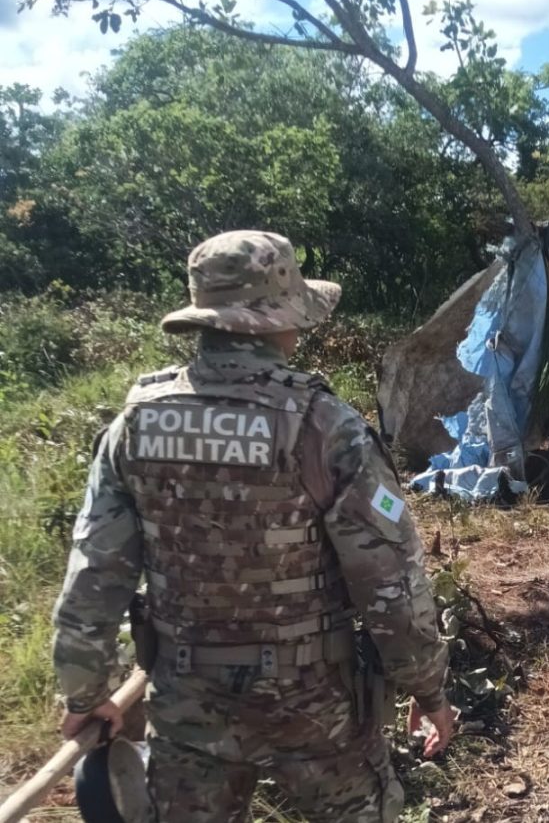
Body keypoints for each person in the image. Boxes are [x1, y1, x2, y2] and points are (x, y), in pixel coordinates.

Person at [53, 230, 452, 822]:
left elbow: (93, 573)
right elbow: (389, 581)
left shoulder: (135, 424)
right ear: (278, 320)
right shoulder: (324, 426)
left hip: (188, 701)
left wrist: (85, 695)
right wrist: (429, 690)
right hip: (316, 705)